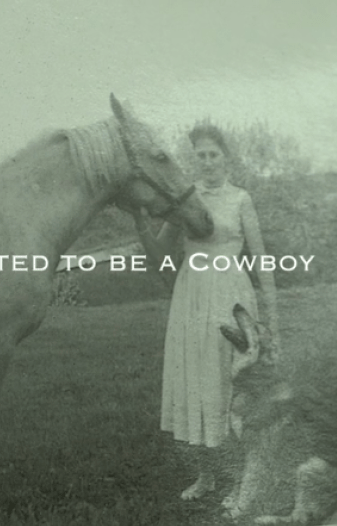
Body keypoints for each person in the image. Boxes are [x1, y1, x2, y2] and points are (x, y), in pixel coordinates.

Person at [132, 124, 279, 501]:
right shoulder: (185, 199)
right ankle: (206, 476)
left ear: (226, 157)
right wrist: (140, 220)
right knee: (197, 378)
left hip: (232, 295)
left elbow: (262, 260)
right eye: (201, 154)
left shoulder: (241, 199)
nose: (208, 161)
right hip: (192, 295)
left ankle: (242, 475)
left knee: (235, 382)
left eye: (214, 154)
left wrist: (272, 319)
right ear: (193, 159)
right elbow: (160, 253)